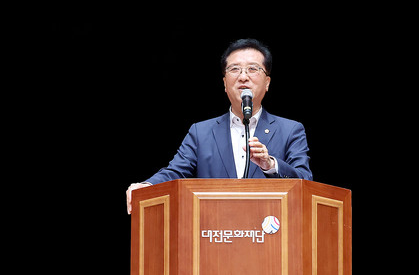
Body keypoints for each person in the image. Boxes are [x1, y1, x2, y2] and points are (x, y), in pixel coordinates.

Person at [126, 38, 312, 214]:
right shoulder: (201, 132)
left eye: (252, 69)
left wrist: (270, 164)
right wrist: (146, 186)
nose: (243, 76)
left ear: (267, 83)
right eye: (235, 69)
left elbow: (305, 182)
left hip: (271, 228)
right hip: (214, 229)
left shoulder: (290, 130)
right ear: (224, 83)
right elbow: (175, 172)